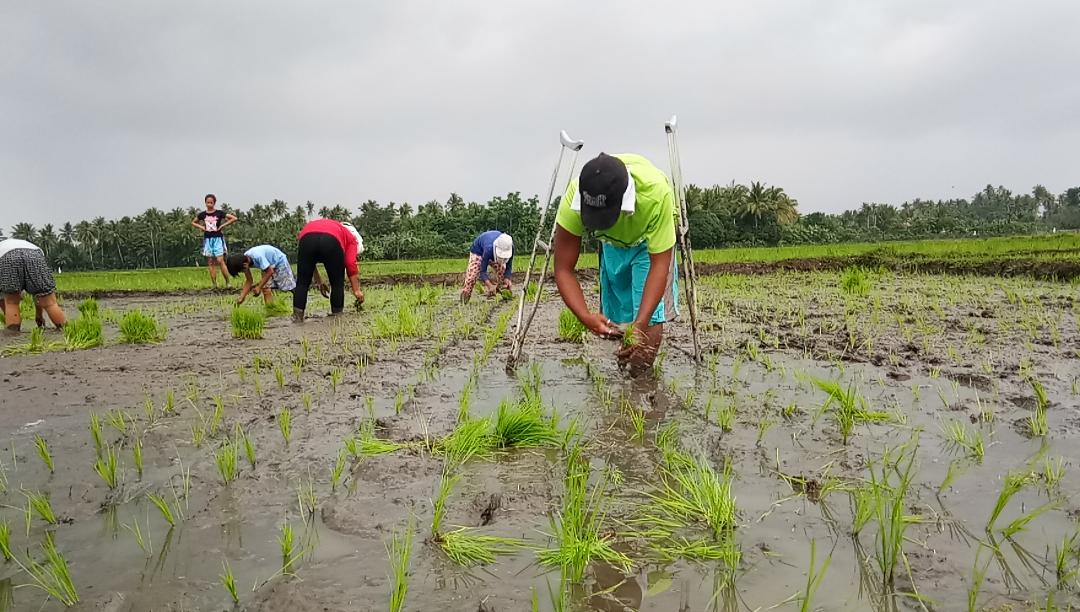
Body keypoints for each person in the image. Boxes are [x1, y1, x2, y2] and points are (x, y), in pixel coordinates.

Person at [553, 152, 678, 374]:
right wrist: (584, 316)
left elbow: (659, 265)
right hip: (611, 244)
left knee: (648, 316)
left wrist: (640, 326)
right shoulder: (574, 197)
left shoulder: (656, 196)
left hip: (646, 243)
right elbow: (563, 269)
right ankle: (624, 373)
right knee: (618, 312)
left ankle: (641, 380)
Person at [293, 218, 365, 322]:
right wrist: (357, 290)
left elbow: (310, 263)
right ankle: (337, 317)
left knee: (302, 283)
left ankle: (297, 318)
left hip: (306, 238)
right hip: (331, 241)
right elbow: (350, 263)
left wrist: (319, 282)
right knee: (337, 284)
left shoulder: (331, 226)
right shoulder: (352, 239)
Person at [0, 238, 66, 332]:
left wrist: (9, 314)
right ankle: (66, 331)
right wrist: (39, 314)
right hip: (35, 254)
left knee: (11, 303)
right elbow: (38, 294)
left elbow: (2, 297)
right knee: (50, 303)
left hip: (6, 257)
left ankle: (13, 337)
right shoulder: (24, 244)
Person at [191, 194, 237, 288]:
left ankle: (228, 283)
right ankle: (214, 284)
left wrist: (223, 225)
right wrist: (202, 227)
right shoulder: (202, 214)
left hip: (218, 238)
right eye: (207, 202)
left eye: (211, 202)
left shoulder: (219, 213)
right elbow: (193, 222)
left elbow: (234, 218)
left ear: (214, 203)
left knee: (220, 260)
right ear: (205, 203)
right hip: (208, 239)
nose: (209, 204)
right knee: (210, 262)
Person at [225, 245, 296, 306]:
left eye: (242, 270)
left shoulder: (257, 256)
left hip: (279, 262)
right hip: (267, 265)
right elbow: (249, 281)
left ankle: (299, 303)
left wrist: (259, 287)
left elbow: (270, 271)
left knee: (290, 286)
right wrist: (241, 297)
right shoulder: (244, 261)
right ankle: (270, 308)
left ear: (245, 264)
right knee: (265, 288)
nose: (244, 271)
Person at [460, 231, 513, 303]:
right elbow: (482, 271)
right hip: (478, 252)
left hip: (492, 252)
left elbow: (509, 267)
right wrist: (489, 285)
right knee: (472, 276)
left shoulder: (510, 247)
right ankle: (464, 298)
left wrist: (507, 278)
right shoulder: (489, 248)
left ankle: (504, 295)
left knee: (502, 272)